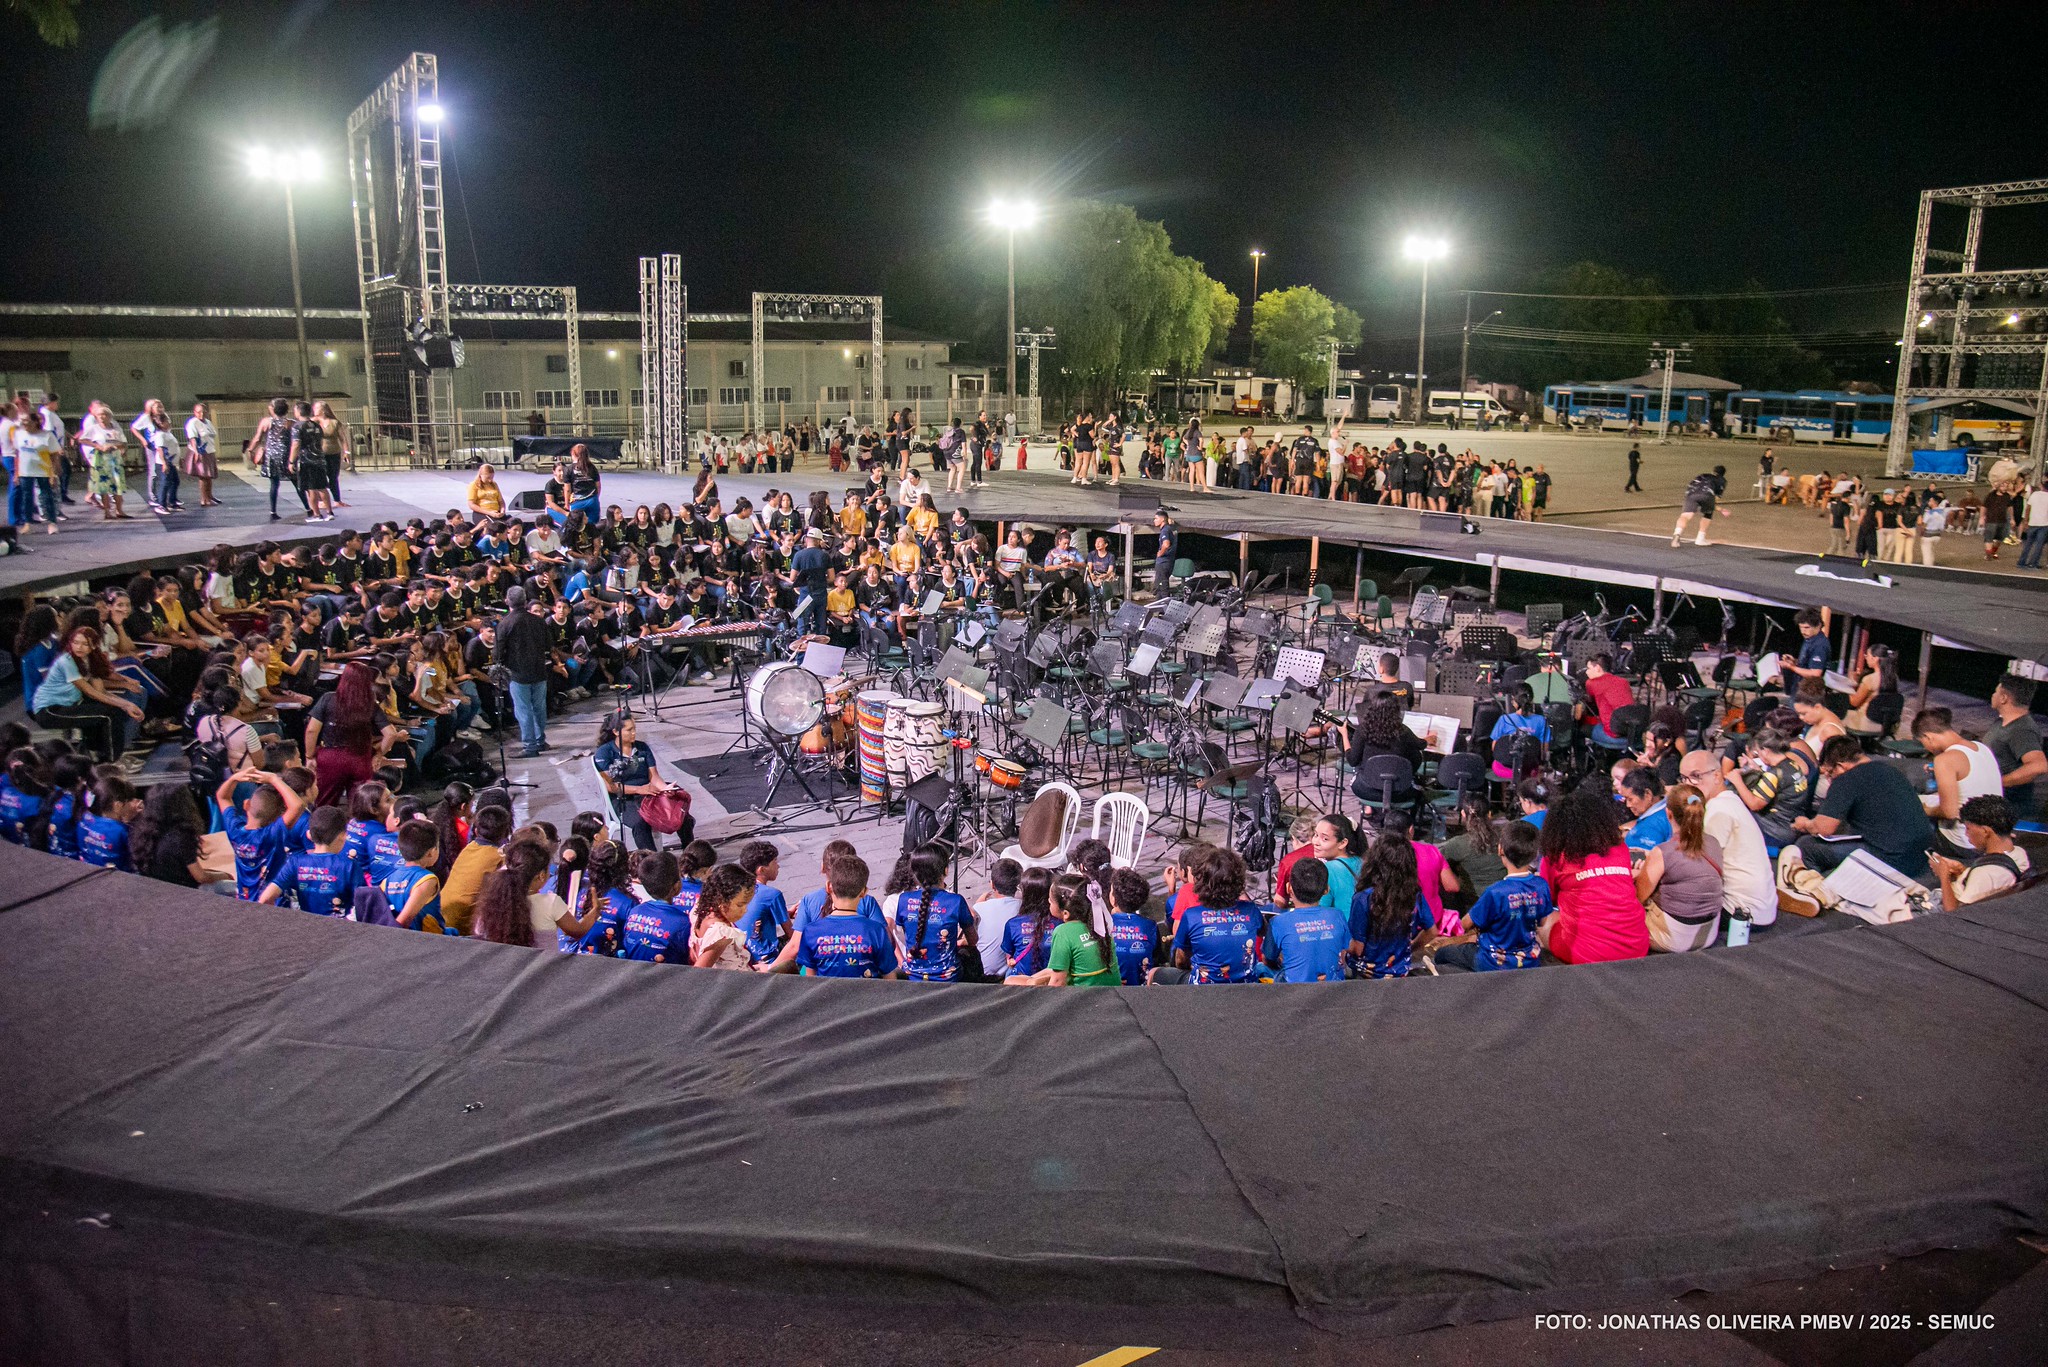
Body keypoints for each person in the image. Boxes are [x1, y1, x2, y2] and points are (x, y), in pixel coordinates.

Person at [1789, 735, 1936, 878]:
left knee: (1806, 846)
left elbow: (1824, 828)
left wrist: (1805, 823)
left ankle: (1820, 890)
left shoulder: (1846, 779)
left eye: (1829, 773)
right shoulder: (1891, 770)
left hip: (1893, 859)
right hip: (1922, 855)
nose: (1829, 778)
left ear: (1840, 767)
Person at [1535, 786, 1649, 964]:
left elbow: (1545, 900)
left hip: (1587, 954)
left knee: (1543, 920)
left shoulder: (1555, 858)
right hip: (1637, 946)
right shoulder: (1620, 849)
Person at [1679, 749, 1776, 928]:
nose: (1688, 784)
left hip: (1740, 912)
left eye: (1696, 776)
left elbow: (1700, 867)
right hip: (1760, 908)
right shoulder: (1729, 800)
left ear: (1717, 776)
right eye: (1684, 778)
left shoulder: (1718, 810)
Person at [1632, 784, 1724, 953]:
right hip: (1708, 935)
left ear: (1668, 813)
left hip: (1671, 940)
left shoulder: (1663, 852)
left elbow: (1639, 897)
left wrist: (1639, 873)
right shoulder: (1714, 843)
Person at [774, 855, 900, 979]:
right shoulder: (877, 930)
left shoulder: (811, 931)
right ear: (863, 892)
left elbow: (810, 979)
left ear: (829, 887)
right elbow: (889, 979)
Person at [32, 624, 142, 763]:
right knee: (108, 715)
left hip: (71, 704)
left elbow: (101, 692)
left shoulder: (89, 661)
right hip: (49, 710)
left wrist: (126, 704)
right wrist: (126, 705)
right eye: (76, 642)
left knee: (111, 709)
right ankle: (113, 761)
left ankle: (98, 754)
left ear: (93, 646)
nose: (79, 647)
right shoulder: (66, 661)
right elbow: (90, 692)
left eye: (85, 644)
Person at [1911, 707, 2005, 857]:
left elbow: (1949, 812)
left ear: (1928, 737)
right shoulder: (1982, 747)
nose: (1926, 748)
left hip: (1963, 843)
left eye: (1923, 743)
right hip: (1990, 838)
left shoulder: (1945, 760)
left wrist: (1924, 809)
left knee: (1909, 807)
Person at [1345, 826, 1434, 979]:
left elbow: (1357, 949)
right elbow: (1432, 931)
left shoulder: (1364, 898)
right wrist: (1409, 949)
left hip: (1368, 974)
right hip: (1400, 971)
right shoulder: (1414, 895)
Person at [1166, 848, 1262, 984]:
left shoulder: (1191, 915)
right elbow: (1264, 935)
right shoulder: (1251, 910)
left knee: (1154, 973)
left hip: (1203, 989)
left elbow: (1181, 961)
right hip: (1247, 986)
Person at [216, 767, 305, 903]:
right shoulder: (272, 833)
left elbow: (222, 797)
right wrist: (274, 779)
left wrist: (234, 778)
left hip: (245, 900)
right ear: (279, 815)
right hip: (275, 903)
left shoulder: (235, 830)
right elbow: (297, 806)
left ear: (246, 804)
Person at [1016, 871, 1121, 987]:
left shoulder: (1063, 932)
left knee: (1013, 981)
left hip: (1085, 996)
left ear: (1066, 913)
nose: (1048, 902)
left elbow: (1057, 982)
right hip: (1113, 992)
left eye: (1051, 901)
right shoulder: (1100, 923)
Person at [592, 712, 679, 850]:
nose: (634, 733)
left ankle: (691, 854)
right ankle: (651, 859)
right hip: (623, 800)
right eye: (629, 730)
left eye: (635, 729)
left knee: (680, 811)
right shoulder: (605, 752)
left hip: (647, 794)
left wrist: (664, 788)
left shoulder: (642, 747)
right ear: (616, 732)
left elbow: (654, 776)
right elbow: (610, 786)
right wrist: (639, 789)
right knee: (640, 823)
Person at [1928, 796, 2030, 910]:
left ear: (1985, 831)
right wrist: (1962, 871)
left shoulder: (1984, 874)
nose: (1966, 834)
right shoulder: (2019, 853)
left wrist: (1943, 876)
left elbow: (1953, 912)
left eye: (1968, 828)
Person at [891, 845, 975, 982]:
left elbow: (909, 933)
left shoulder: (904, 900)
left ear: (914, 874)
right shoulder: (956, 901)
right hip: (948, 977)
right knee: (972, 954)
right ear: (946, 870)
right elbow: (973, 940)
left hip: (912, 974)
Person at [257, 806, 356, 916]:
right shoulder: (350, 866)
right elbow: (362, 903)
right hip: (338, 925)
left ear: (309, 835)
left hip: (305, 924)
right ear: (343, 836)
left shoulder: (294, 863)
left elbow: (265, 899)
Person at [1262, 858, 1348, 982]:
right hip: (1333, 986)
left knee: (1261, 968)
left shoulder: (1278, 922)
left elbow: (1267, 959)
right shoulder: (1337, 915)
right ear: (1326, 890)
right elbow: (1345, 951)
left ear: (1289, 888)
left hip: (1295, 990)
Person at [495, 586, 554, 758]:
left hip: (518, 673)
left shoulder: (505, 623)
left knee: (523, 710)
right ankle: (540, 741)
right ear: (525, 601)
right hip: (539, 670)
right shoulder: (539, 621)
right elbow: (549, 644)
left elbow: (497, 653)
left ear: (507, 601)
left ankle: (530, 746)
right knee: (539, 708)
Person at [439, 803, 512, 934]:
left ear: (476, 831)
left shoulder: (469, 848)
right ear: (506, 833)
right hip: (463, 929)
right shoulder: (499, 858)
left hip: (440, 918)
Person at [1983, 674, 2046, 819]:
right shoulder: (2002, 722)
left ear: (2003, 698)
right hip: (1995, 803)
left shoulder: (2022, 730)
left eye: (1996, 692)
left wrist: (1999, 782)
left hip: (2008, 809)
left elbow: (2038, 766)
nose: (1993, 695)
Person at [731, 839, 791, 963]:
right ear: (761, 870)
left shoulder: (736, 889)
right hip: (766, 957)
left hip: (744, 952)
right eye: (774, 862)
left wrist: (787, 913)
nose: (778, 866)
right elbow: (791, 933)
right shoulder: (772, 895)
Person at [1105, 867, 1160, 986]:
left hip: (1111, 988)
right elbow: (1156, 957)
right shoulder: (1151, 926)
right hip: (1142, 989)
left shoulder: (1102, 926)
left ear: (1113, 900)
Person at [974, 857, 1023, 979]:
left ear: (992, 884)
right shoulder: (1024, 908)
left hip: (984, 973)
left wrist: (977, 904)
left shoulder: (979, 908)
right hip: (1012, 973)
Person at [1670, 465, 1729, 547]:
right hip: (1707, 494)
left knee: (1685, 516)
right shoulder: (1721, 480)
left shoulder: (1702, 475)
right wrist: (1720, 509)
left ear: (1713, 471)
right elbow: (1714, 500)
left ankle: (1677, 533)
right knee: (1708, 513)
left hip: (1691, 494)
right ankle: (1700, 539)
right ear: (1723, 474)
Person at [2018, 479, 2048, 571]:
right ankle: (2033, 563)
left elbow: (2028, 508)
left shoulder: (2034, 494)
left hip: (2032, 522)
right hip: (2044, 524)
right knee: (2039, 545)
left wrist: (2026, 521)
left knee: (2028, 544)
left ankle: (2021, 562)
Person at [1150, 508, 1178, 598]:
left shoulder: (1165, 530)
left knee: (1162, 586)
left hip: (1163, 562)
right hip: (1169, 562)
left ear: (1162, 519)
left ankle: (1164, 604)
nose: (1154, 521)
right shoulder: (1171, 528)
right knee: (1159, 586)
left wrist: (1160, 553)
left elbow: (1166, 544)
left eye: (1156, 518)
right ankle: (1159, 603)